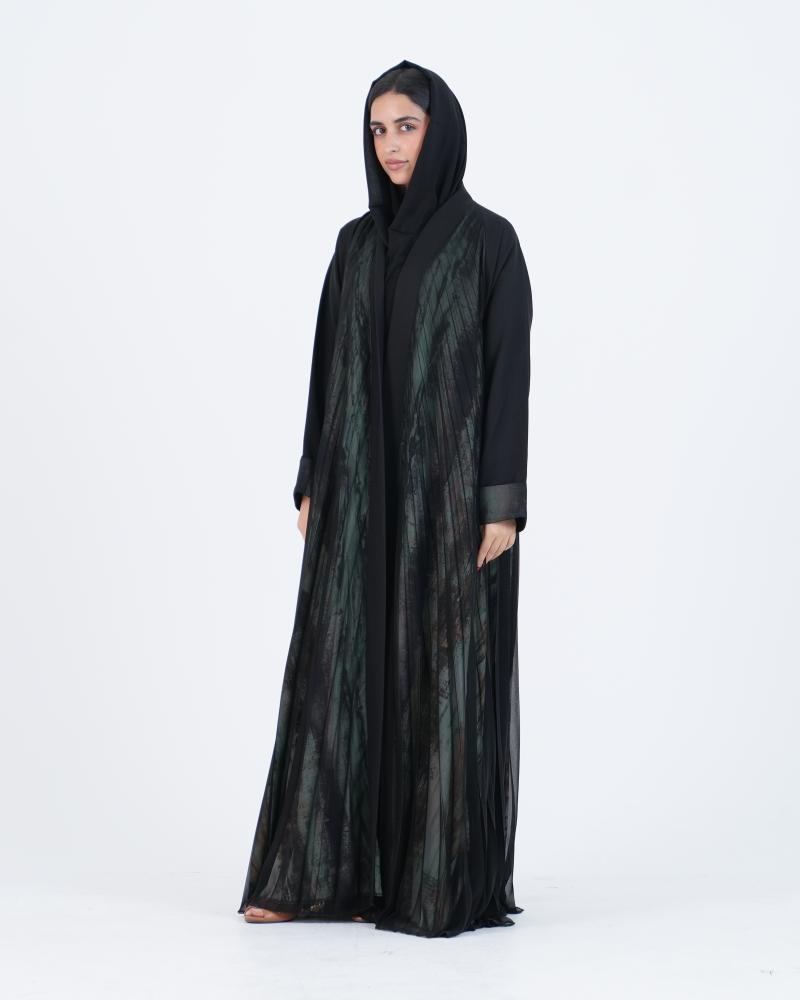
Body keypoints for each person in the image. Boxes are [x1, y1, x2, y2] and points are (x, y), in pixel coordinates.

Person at [237, 58, 533, 938]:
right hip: (362, 493)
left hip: (450, 501)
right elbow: (326, 369)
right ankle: (324, 872)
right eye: (378, 129)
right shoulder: (355, 245)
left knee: (441, 670)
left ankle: (434, 876)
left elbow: (508, 377)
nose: (391, 145)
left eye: (407, 126)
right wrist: (312, 480)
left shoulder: (490, 243)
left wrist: (501, 501)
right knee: (344, 665)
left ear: (440, 132)